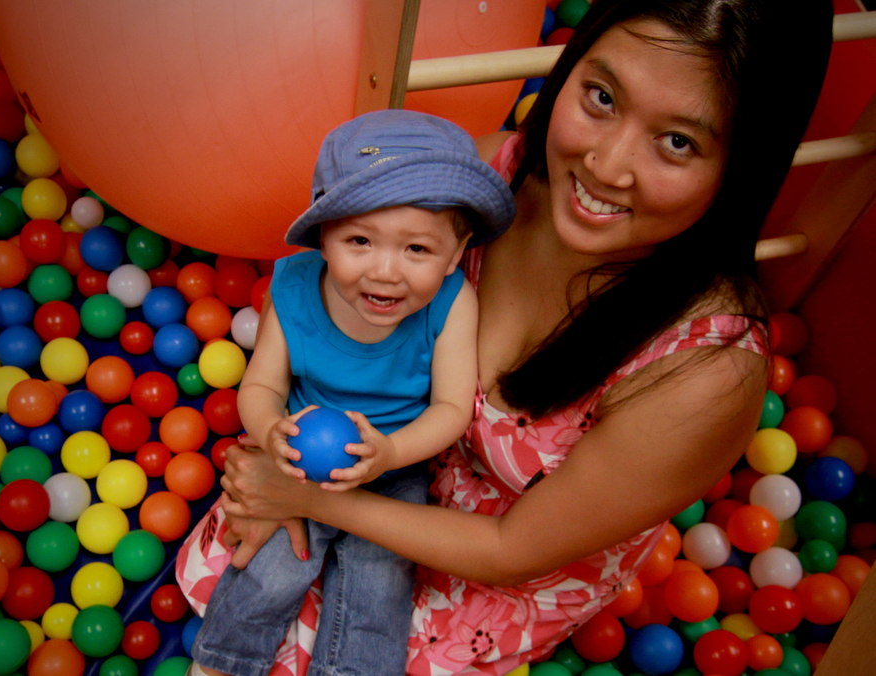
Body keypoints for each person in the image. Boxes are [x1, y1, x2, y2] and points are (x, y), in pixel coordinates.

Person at [178, 0, 833, 673]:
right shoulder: (483, 187)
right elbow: (339, 304)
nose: (605, 166)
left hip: (489, 557)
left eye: (676, 142)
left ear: (742, 165)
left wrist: (307, 497)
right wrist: (284, 439)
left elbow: (509, 548)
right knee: (234, 585)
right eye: (601, 96)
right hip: (380, 448)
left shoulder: (704, 373)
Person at [179, 109, 517, 676]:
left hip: (394, 462)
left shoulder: (453, 302)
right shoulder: (291, 287)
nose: (385, 271)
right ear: (323, 240)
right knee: (275, 566)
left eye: (417, 250)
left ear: (456, 256)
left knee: (380, 581)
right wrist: (270, 433)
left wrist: (389, 454)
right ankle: (223, 660)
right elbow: (262, 383)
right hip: (297, 458)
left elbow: (451, 408)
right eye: (359, 240)